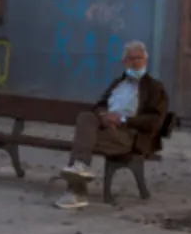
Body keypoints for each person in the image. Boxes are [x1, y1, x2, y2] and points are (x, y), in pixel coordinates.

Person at [56, 40, 169, 209]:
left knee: (83, 142)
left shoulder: (154, 87)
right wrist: (104, 115)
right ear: (124, 62)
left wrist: (122, 120)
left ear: (146, 61)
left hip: (128, 134)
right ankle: (80, 168)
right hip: (106, 128)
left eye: (139, 58)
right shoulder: (118, 83)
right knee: (86, 118)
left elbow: (154, 121)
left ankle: (76, 190)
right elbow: (99, 105)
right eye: (131, 59)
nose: (136, 62)